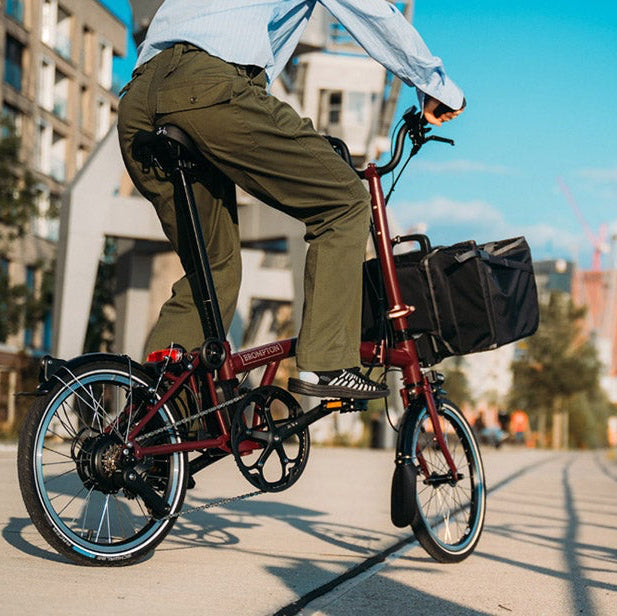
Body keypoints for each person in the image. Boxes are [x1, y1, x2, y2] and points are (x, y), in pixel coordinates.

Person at [117, 0, 465, 401]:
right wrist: (436, 85)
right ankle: (326, 362)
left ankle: (154, 423)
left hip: (139, 98)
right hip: (209, 86)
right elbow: (372, 11)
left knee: (213, 268)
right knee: (345, 203)